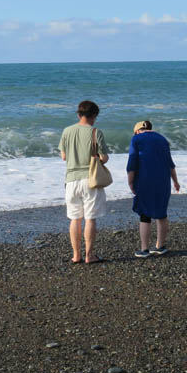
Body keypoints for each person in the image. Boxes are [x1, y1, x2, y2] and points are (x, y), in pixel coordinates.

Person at [59, 100, 110, 264]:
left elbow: (64, 156)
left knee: (75, 219)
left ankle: (76, 255)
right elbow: (104, 158)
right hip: (90, 179)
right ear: (94, 115)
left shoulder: (67, 131)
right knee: (90, 219)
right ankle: (89, 255)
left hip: (71, 180)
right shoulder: (96, 132)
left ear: (78, 114)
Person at [126, 120, 180, 258]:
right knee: (161, 213)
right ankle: (160, 246)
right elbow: (170, 163)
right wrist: (175, 181)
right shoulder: (162, 139)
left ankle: (144, 249)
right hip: (163, 180)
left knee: (144, 214)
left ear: (138, 130)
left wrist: (130, 181)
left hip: (145, 180)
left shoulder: (136, 139)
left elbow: (132, 163)